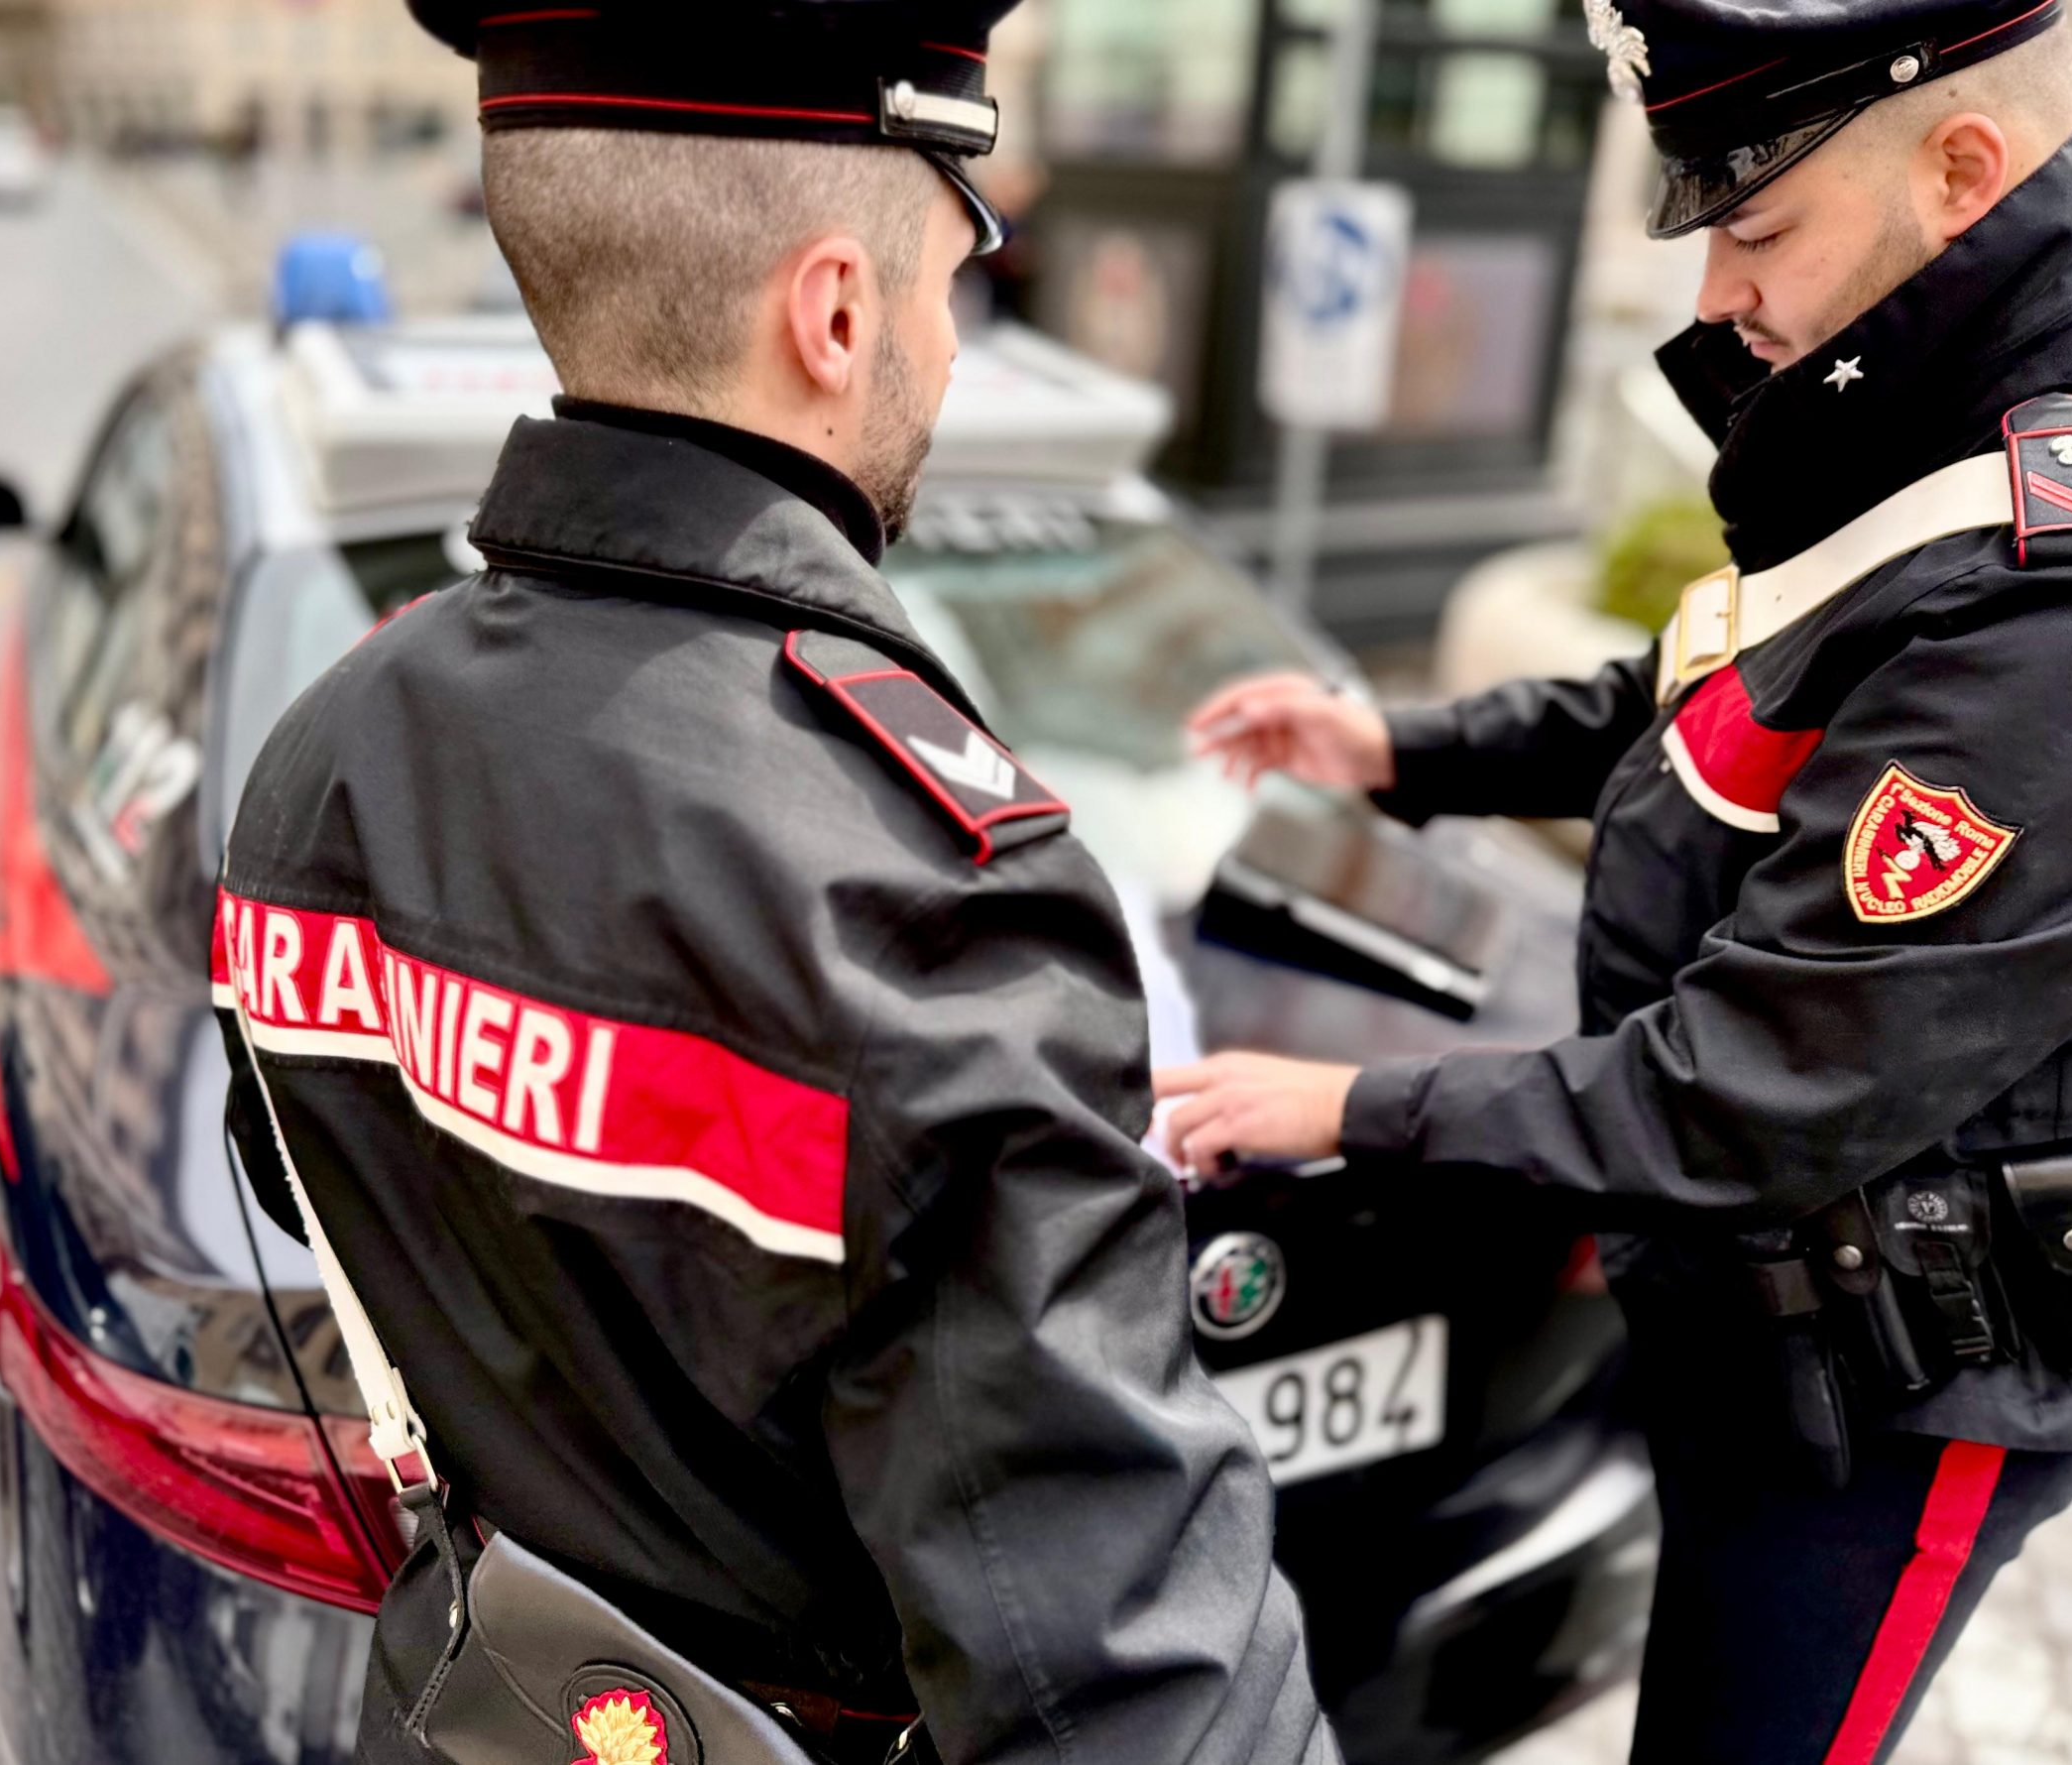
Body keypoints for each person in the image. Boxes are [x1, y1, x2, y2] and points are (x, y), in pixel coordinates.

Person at [215, 6, 1336, 1765]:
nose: (948, 351)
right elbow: (1133, 1688)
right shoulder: (926, 904)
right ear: (833, 314)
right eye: (946, 290)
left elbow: (346, 1206)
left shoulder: (320, 755)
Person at [1160, 2, 2072, 1759]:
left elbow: (1759, 1083)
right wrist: (1403, 748)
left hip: (1905, 1401)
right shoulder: (1940, 415)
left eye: (1757, 227)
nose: (1716, 293)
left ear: (1962, 172)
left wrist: (1351, 1105)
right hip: (1777, 1316)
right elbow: (1725, 686)